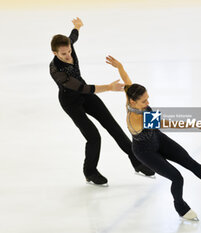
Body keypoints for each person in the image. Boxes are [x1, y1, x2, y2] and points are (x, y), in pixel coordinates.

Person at [105, 55, 201, 220]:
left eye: (147, 98)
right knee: (177, 177)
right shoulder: (136, 119)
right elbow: (167, 122)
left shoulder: (130, 97)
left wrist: (120, 66)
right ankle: (181, 207)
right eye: (144, 101)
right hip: (144, 151)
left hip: (158, 139)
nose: (148, 102)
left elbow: (127, 82)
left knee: (191, 163)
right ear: (133, 102)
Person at [49, 18, 155, 186]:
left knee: (112, 125)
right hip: (71, 102)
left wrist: (76, 27)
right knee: (93, 137)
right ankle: (90, 172)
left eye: (69, 51)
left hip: (86, 96)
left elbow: (72, 37)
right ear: (55, 53)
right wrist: (109, 87)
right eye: (64, 54)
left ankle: (137, 161)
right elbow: (82, 88)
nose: (68, 55)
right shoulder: (57, 70)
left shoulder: (68, 46)